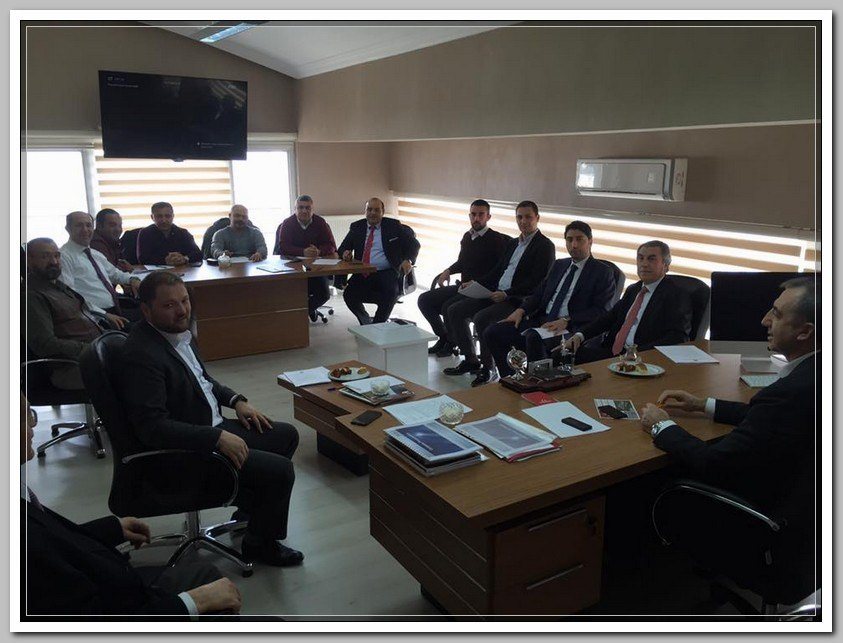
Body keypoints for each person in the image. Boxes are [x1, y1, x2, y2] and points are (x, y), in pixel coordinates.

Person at [119, 271, 303, 567]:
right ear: (146, 310)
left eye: (184, 300)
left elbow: (203, 381)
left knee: (285, 435)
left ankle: (253, 514)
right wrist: (216, 438)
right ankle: (260, 544)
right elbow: (152, 428)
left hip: (207, 426)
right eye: (169, 305)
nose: (182, 310)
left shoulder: (176, 334)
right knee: (280, 472)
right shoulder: (142, 355)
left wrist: (236, 401)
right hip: (187, 449)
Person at [21, 394, 243, 618]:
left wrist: (111, 529)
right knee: (213, 587)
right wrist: (190, 604)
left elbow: (56, 542)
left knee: (207, 575)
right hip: (116, 599)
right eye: (24, 415)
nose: (33, 423)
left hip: (105, 579)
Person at [640, 276, 819, 510]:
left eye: (776, 314)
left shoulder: (789, 393)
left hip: (761, 505)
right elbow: (766, 417)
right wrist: (702, 404)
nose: (765, 320)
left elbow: (713, 463)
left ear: (805, 332)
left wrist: (661, 425)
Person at [442, 200, 555, 386]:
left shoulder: (544, 246)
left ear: (537, 218)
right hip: (495, 293)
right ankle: (471, 360)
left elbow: (537, 282)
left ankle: (489, 368)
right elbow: (497, 271)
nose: (523, 221)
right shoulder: (513, 243)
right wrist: (477, 284)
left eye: (528, 217)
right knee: (455, 310)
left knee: (482, 318)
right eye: (519, 217)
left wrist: (507, 294)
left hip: (516, 300)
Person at [485, 221, 617, 376]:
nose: (574, 245)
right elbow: (539, 294)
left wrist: (567, 320)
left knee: (533, 337)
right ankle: (511, 378)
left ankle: (538, 383)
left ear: (590, 241)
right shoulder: (560, 265)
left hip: (570, 326)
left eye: (579, 239)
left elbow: (601, 310)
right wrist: (520, 310)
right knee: (493, 332)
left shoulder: (602, 272)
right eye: (569, 240)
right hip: (543, 321)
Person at [563, 240, 692, 364]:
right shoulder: (634, 289)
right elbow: (608, 318)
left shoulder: (676, 295)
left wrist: (636, 354)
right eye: (640, 258)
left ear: (666, 265)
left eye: (651, 259)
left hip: (643, 359)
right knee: (564, 354)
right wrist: (580, 336)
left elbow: (677, 337)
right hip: (612, 353)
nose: (644, 264)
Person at [418, 199, 510, 357]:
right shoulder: (468, 236)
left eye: (481, 215)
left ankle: (458, 348)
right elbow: (462, 262)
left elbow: (499, 270)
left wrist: (477, 283)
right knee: (424, 300)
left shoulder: (496, 240)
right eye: (473, 214)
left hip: (482, 290)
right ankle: (445, 337)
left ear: (488, 217)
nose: (476, 218)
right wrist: (448, 270)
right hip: (464, 287)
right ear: (469, 216)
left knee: (448, 307)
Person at [25, 238, 105, 390]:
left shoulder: (59, 287)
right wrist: (90, 349)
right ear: (29, 260)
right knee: (138, 373)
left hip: (94, 355)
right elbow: (45, 344)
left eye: (56, 256)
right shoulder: (32, 296)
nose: (54, 261)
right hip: (70, 368)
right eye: (45, 256)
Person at [337, 197, 420, 325]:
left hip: (387, 271)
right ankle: (366, 323)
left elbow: (414, 244)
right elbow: (342, 248)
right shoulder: (357, 227)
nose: (373, 213)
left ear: (383, 212)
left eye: (376, 210)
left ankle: (378, 325)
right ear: (365, 211)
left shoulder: (393, 226)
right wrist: (345, 253)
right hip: (363, 271)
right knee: (349, 295)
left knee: (390, 293)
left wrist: (408, 260)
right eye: (369, 210)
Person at [59, 211, 141, 327]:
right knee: (146, 327)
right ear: (68, 229)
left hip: (115, 308)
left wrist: (133, 279)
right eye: (79, 225)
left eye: (88, 225)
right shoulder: (63, 257)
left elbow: (115, 274)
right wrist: (104, 314)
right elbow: (70, 296)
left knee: (154, 313)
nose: (85, 230)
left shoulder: (94, 254)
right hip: (95, 317)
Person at [274, 195, 338, 321]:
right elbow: (283, 247)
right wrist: (303, 251)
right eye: (300, 207)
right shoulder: (287, 223)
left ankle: (300, 314)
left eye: (308, 208)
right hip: (293, 267)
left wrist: (318, 251)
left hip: (316, 268)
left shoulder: (320, 222)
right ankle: (302, 314)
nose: (304, 211)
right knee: (292, 294)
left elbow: (331, 245)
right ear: (295, 209)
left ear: (312, 209)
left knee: (324, 294)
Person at [136, 201, 203, 266]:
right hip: (155, 273)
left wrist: (184, 258)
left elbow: (198, 254)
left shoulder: (183, 233)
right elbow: (142, 259)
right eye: (159, 216)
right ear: (152, 217)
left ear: (173, 216)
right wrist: (165, 260)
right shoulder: (145, 233)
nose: (164, 220)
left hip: (181, 271)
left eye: (167, 216)